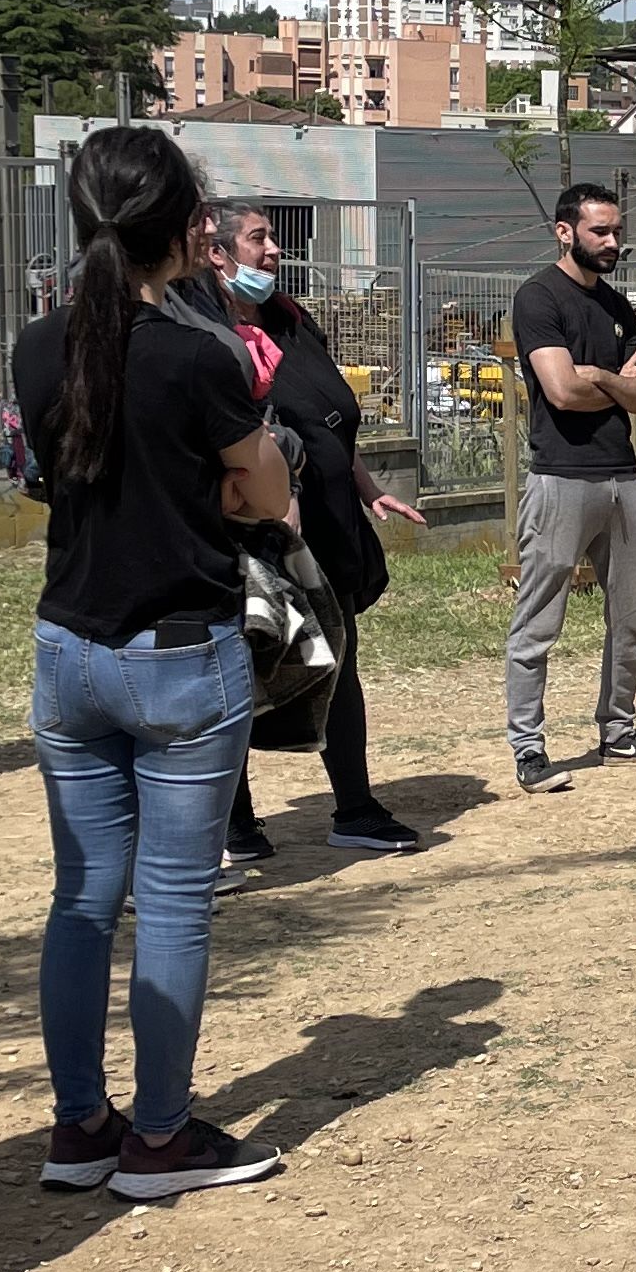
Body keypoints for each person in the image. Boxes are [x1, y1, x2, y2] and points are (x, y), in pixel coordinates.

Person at [10, 126, 298, 1206]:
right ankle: (163, 1139)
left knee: (82, 901)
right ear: (181, 228)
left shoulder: (42, 346)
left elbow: (62, 470)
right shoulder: (197, 356)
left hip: (67, 651)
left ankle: (80, 1123)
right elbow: (264, 495)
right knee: (173, 907)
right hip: (180, 655)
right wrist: (238, 478)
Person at [207, 202, 428, 856]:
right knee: (246, 666)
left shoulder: (288, 319)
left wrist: (367, 488)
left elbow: (331, 423)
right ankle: (236, 825)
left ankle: (354, 809)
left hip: (330, 526)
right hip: (254, 539)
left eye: (271, 238)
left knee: (339, 657)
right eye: (258, 240)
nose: (273, 250)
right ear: (216, 254)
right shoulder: (208, 336)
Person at [506, 183, 636, 794]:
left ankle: (618, 730)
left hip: (623, 478)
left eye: (617, 231)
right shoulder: (538, 299)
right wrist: (609, 379)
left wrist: (595, 373)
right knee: (538, 624)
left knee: (634, 616)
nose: (613, 242)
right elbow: (562, 393)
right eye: (600, 231)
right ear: (564, 231)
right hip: (560, 479)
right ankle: (529, 748)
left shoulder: (620, 309)